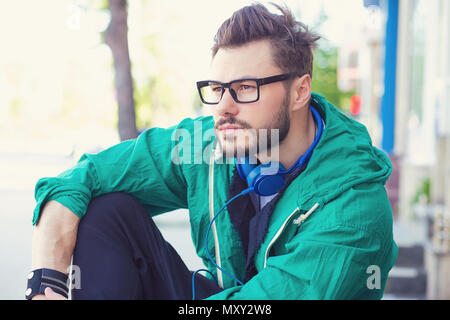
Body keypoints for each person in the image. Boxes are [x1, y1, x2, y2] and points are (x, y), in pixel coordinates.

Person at [27, 3, 398, 300]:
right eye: (217, 88)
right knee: (106, 210)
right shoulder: (208, 145)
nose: (224, 107)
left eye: (245, 87)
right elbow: (76, 181)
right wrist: (46, 285)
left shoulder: (355, 208)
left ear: (300, 91)